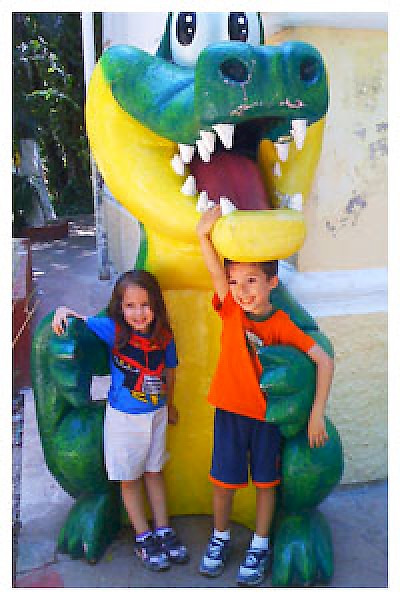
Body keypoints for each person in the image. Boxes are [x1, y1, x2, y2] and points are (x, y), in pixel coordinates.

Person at [196, 206, 334, 586]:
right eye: (235, 281)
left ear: (272, 282)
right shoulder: (230, 311)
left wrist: (316, 413)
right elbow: (214, 272)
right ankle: (219, 537)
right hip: (229, 412)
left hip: (265, 420)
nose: (242, 291)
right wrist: (203, 235)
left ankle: (259, 545)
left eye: (251, 281)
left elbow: (323, 361)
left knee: (266, 484)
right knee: (222, 483)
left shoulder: (281, 325)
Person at [52, 269, 189, 572]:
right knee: (130, 478)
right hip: (124, 421)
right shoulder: (113, 330)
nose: (138, 313)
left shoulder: (164, 336)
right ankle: (143, 536)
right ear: (120, 307)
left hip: (156, 415)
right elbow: (80, 320)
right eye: (130, 306)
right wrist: (61, 312)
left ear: (156, 305)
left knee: (155, 472)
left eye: (145, 305)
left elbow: (170, 372)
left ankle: (163, 529)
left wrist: (170, 405)